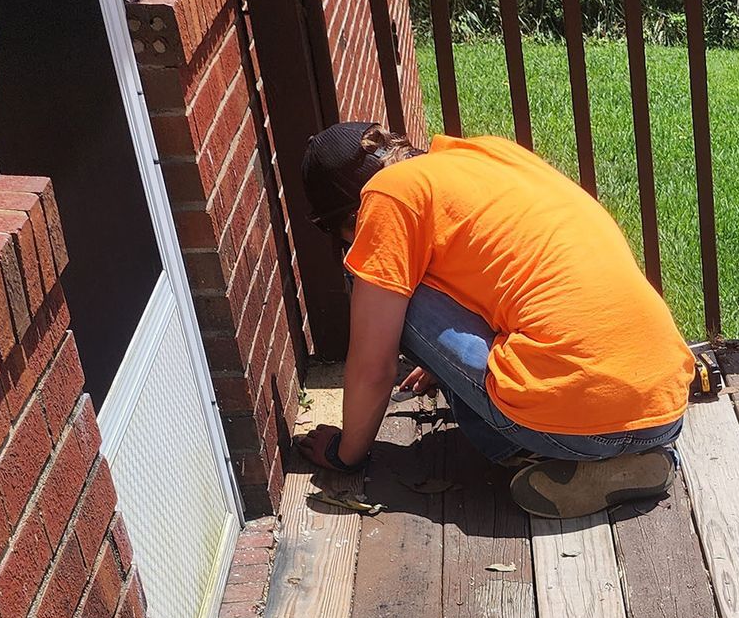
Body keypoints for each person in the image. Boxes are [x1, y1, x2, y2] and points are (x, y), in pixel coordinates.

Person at [297, 121, 699, 520]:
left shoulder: (386, 196)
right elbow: (514, 277)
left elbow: (374, 365)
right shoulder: (487, 154)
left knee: (380, 280)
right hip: (664, 407)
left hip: (579, 423)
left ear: (348, 218)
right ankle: (625, 459)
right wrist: (444, 365)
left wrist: (345, 454)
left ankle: (544, 453)